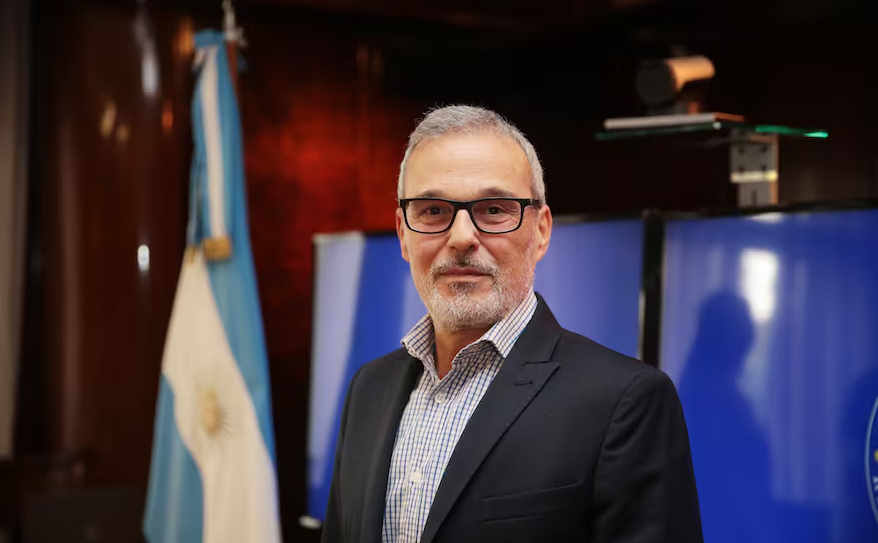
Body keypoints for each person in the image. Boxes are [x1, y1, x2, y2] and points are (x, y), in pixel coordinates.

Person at [321, 105, 702, 543]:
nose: (461, 237)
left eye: (493, 209)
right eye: (433, 210)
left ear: (541, 231)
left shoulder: (625, 402)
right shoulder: (368, 388)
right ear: (403, 234)